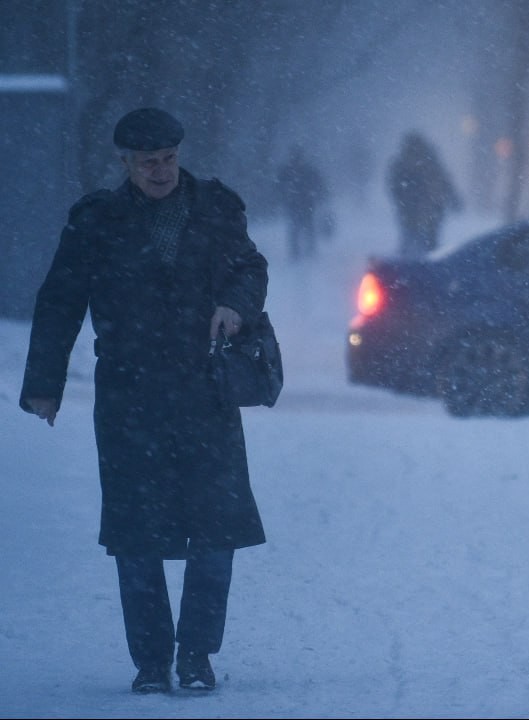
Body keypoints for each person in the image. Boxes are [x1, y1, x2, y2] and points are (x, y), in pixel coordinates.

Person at [20, 107, 269, 695]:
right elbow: (61, 300)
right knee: (136, 534)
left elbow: (250, 268)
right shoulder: (96, 221)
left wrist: (236, 304)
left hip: (205, 389)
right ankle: (152, 660)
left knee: (215, 529)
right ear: (125, 163)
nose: (161, 171)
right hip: (130, 395)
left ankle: (197, 655)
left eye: (168, 159)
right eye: (148, 162)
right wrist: (43, 384)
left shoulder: (215, 208)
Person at [387, 131, 462, 259]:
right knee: (427, 240)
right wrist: (454, 200)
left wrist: (402, 199)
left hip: (415, 208)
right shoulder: (429, 161)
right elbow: (444, 181)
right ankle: (427, 266)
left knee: (411, 237)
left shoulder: (402, 162)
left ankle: (407, 266)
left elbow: (393, 185)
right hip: (430, 207)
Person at [277, 144, 332, 260]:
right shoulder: (305, 169)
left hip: (298, 202)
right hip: (304, 202)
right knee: (304, 226)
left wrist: (282, 198)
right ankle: (306, 251)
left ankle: (298, 252)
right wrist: (321, 195)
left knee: (297, 227)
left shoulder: (288, 170)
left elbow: (279, 186)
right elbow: (318, 183)